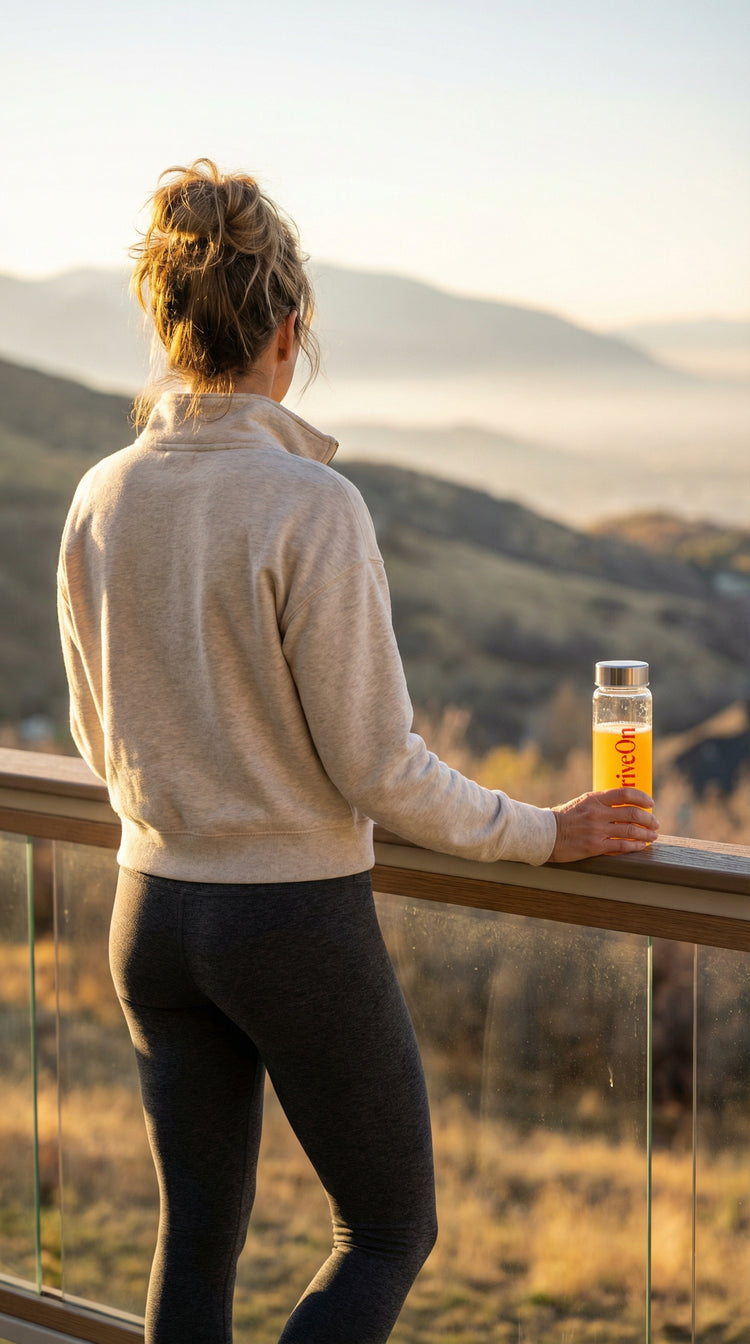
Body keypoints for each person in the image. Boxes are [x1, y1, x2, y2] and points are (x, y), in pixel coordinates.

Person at [57, 158, 658, 1344]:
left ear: (170, 332)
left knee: (197, 1240)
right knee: (385, 1232)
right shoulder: (307, 505)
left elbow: (92, 731)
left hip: (150, 917)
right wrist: (548, 832)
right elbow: (379, 767)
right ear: (290, 332)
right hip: (289, 922)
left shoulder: (100, 494)